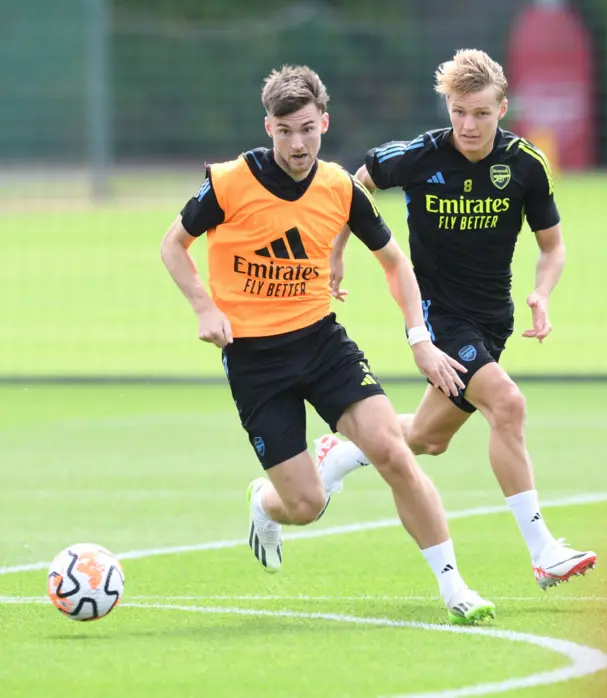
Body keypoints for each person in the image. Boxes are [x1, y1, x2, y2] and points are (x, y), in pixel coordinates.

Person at [160, 64, 495, 624]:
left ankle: (455, 588)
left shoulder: (339, 187)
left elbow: (395, 263)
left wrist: (419, 339)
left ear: (325, 123)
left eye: (308, 129)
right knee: (307, 504)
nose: (298, 143)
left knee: (393, 451)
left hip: (321, 343)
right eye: (286, 130)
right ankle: (264, 503)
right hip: (254, 360)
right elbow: (174, 246)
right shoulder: (229, 183)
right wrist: (205, 308)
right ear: (269, 126)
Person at [315, 49, 596, 590]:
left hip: (492, 319)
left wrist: (542, 292)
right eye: (459, 111)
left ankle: (344, 452)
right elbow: (352, 188)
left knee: (426, 438)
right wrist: (337, 251)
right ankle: (543, 550)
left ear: (503, 108)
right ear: (447, 105)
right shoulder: (419, 155)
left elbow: (553, 247)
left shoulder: (526, 166)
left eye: (482, 114)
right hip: (440, 317)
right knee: (507, 404)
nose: (468, 125)